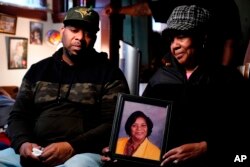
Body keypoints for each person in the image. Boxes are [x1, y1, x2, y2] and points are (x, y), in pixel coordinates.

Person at [102, 5, 248, 167]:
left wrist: (205, 147)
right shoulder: (160, 79)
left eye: (181, 36)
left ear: (203, 37)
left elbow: (241, 140)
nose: (174, 45)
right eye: (171, 39)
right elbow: (146, 130)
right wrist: (120, 152)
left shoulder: (228, 80)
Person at [0, 6, 130, 167]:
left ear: (95, 38)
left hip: (82, 152)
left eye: (88, 33)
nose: (80, 38)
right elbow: (18, 115)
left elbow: (115, 123)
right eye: (74, 30)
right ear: (62, 31)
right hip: (36, 149)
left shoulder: (110, 74)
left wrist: (72, 146)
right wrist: (23, 144)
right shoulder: (38, 71)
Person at [103, 0, 243, 68]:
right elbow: (147, 8)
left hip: (212, 67)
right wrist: (119, 10)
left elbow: (230, 43)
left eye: (181, 36)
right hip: (181, 71)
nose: (175, 44)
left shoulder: (225, 5)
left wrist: (224, 74)